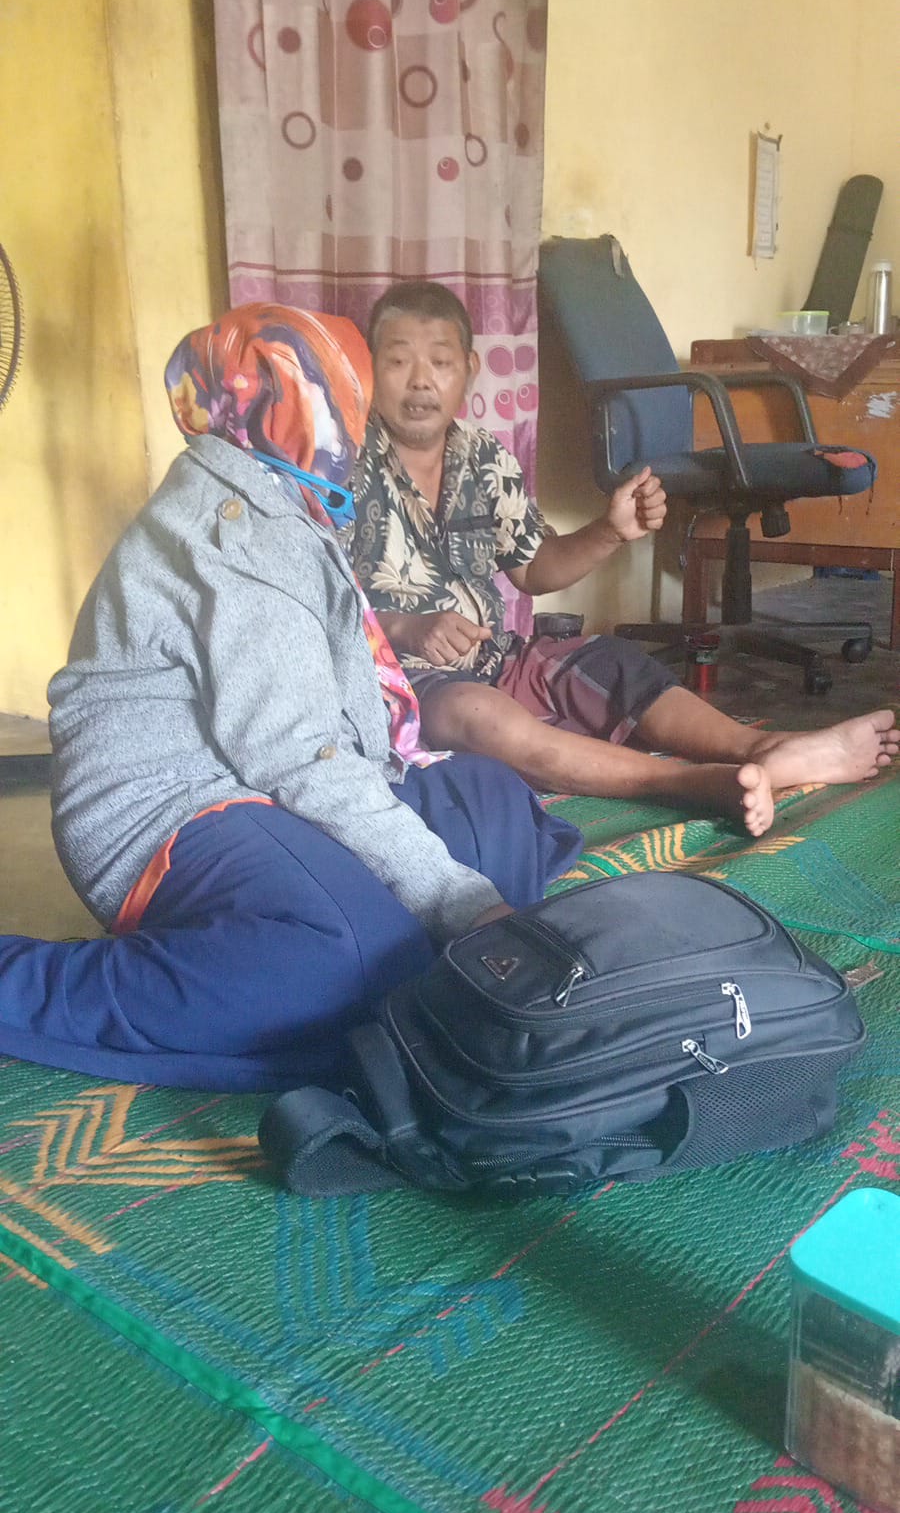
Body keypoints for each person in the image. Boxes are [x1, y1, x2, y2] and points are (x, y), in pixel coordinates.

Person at [0, 304, 583, 1092]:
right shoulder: (240, 531)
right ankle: (34, 985)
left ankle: (402, 962)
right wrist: (463, 901)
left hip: (257, 778)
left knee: (489, 796)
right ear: (295, 406)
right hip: (168, 807)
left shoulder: (274, 491)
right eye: (345, 397)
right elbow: (299, 756)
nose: (357, 420)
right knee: (347, 955)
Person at [349, 280, 898, 838]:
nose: (421, 381)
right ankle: (690, 783)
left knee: (611, 659)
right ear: (369, 368)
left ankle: (762, 748)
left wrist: (609, 531)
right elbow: (316, 605)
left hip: (497, 661)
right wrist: (406, 627)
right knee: (478, 715)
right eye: (398, 361)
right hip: (402, 684)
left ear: (468, 370)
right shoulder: (341, 464)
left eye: (441, 362)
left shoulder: (483, 456)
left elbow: (534, 568)